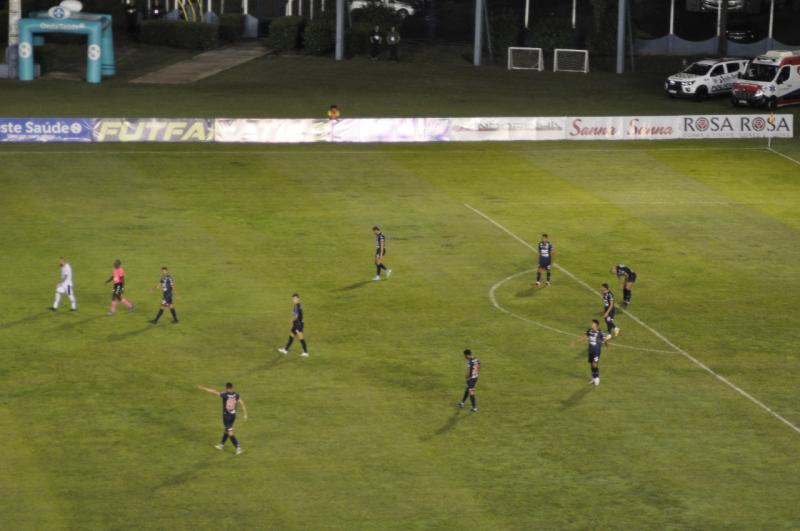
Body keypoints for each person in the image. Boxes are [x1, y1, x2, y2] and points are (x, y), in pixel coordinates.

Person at [198, 383, 248, 455]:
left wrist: (203, 388)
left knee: (230, 433)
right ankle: (221, 445)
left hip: (226, 416)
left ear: (226, 388)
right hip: (233, 416)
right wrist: (245, 414)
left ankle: (238, 448)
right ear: (232, 387)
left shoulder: (225, 394)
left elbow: (214, 392)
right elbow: (242, 403)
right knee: (226, 430)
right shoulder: (236, 394)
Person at [574, 319, 608, 386]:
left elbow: (605, 340)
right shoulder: (589, 330)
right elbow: (585, 337)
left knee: (594, 364)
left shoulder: (601, 332)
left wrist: (607, 347)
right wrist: (576, 341)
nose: (591, 324)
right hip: (591, 350)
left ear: (596, 325)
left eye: (593, 323)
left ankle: (597, 378)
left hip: (596, 351)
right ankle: (593, 378)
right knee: (591, 364)